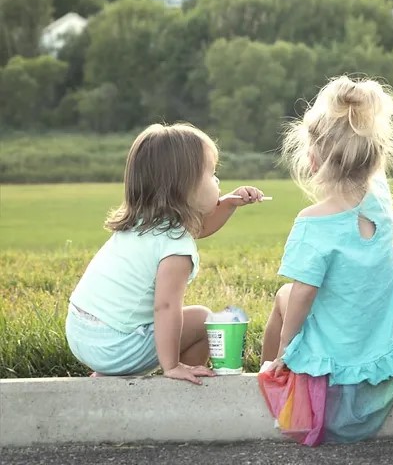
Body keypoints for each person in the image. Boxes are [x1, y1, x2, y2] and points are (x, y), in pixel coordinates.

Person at [260, 76, 393, 443]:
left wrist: (287, 348)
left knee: (284, 297)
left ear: (313, 160)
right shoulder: (381, 205)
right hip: (382, 341)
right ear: (372, 158)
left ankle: (271, 367)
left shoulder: (314, 222)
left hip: (339, 353)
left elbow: (303, 294)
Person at [66, 123, 263, 385]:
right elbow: (166, 307)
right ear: (184, 186)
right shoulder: (176, 249)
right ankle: (183, 381)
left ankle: (115, 371)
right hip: (115, 346)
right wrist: (170, 365)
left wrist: (227, 204)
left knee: (181, 321)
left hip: (82, 334)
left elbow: (199, 228)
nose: (217, 181)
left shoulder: (146, 223)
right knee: (204, 321)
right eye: (211, 174)